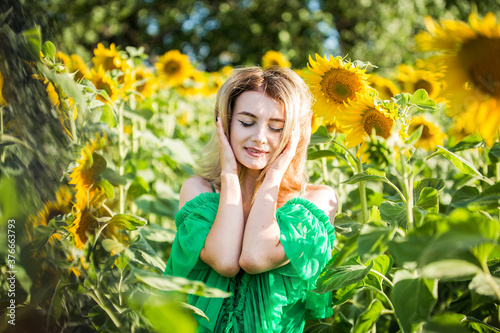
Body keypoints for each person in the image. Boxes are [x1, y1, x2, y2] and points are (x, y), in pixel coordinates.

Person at [164, 66, 338, 332]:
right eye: (246, 122)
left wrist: (274, 175)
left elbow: (255, 257)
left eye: (277, 128)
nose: (259, 138)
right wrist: (230, 173)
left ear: (296, 134)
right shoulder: (199, 192)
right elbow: (224, 261)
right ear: (224, 122)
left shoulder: (315, 203)